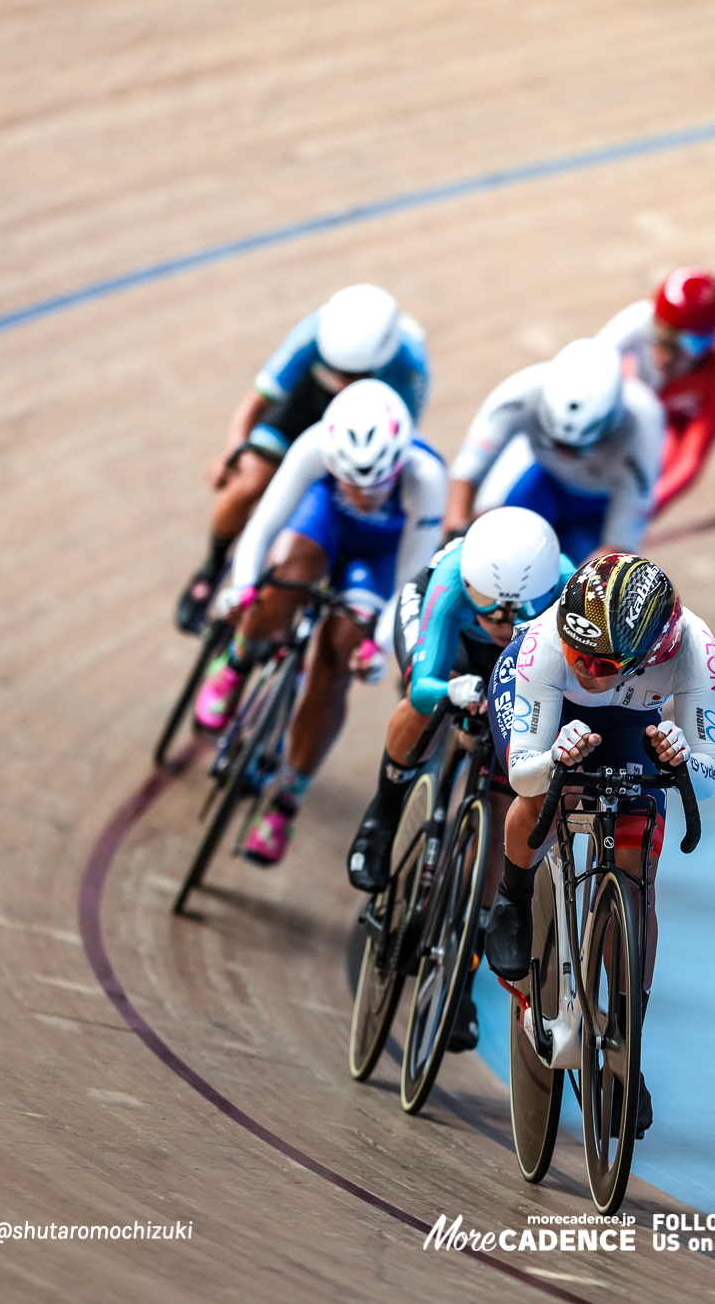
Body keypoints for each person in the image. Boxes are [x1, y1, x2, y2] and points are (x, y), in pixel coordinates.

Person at [482, 553, 715, 1135]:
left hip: (628, 729)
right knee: (542, 797)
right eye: (576, 649)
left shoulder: (695, 647)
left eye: (602, 661)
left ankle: (625, 1045)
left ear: (649, 655)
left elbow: (709, 775)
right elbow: (521, 773)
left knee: (636, 870)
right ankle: (513, 898)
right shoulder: (546, 645)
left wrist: (682, 758)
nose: (584, 667)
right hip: (548, 715)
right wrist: (554, 759)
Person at [345, 507, 572, 1053]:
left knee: (502, 801)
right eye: (488, 609)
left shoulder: (565, 595)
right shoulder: (449, 584)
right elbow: (424, 681)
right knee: (422, 707)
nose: (498, 619)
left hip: (526, 661)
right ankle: (384, 812)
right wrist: (449, 690)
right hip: (450, 644)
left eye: (511, 613)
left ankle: (460, 984)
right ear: (471, 586)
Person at [192, 379, 445, 866]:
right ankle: (237, 662)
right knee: (284, 575)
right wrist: (244, 587)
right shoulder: (314, 446)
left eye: (375, 484)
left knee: (336, 661)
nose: (364, 494)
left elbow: (413, 580)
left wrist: (380, 645)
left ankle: (287, 800)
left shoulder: (426, 476)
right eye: (351, 480)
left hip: (378, 558)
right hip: (322, 523)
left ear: (398, 465)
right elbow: (264, 525)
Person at [175, 284, 430, 633]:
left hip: (357, 429)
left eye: (355, 375)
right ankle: (213, 563)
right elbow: (256, 401)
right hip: (303, 411)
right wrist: (233, 451)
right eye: (336, 370)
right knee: (248, 483)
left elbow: (395, 442)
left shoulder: (411, 366)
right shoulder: (312, 332)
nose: (343, 381)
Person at [441, 336, 664, 563]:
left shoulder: (642, 427)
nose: (566, 455)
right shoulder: (520, 392)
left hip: (600, 508)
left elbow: (619, 546)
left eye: (577, 448)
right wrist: (456, 537)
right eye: (557, 443)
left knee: (578, 577)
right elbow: (465, 475)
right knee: (494, 545)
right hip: (546, 483)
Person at [596, 266, 715, 517]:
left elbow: (690, 457)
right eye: (662, 334)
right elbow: (586, 368)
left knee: (652, 469)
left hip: (668, 427)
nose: (670, 354)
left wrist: (642, 509)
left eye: (690, 344)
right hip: (631, 399)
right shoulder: (636, 321)